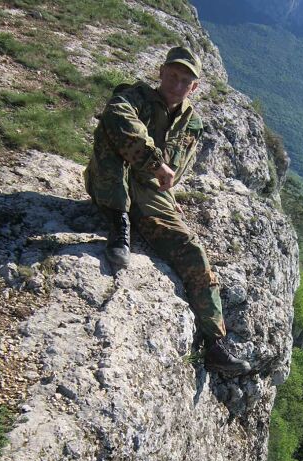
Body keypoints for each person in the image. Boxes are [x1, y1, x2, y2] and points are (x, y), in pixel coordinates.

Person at [84, 46, 250, 375]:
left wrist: (167, 191)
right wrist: (154, 162)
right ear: (161, 73)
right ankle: (119, 225)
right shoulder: (134, 98)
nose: (176, 84)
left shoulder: (192, 125)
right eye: (172, 76)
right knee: (111, 130)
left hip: (148, 192)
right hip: (112, 178)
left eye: (184, 80)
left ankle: (215, 343)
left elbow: (176, 171)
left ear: (194, 87)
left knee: (192, 250)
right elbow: (120, 118)